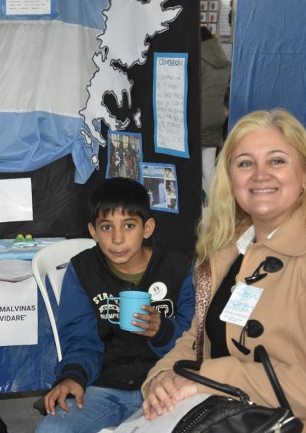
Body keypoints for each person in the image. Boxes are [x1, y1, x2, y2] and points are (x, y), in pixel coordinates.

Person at [141, 109, 306, 431]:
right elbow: (195, 340)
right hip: (227, 415)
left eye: (276, 161)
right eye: (245, 163)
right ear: (230, 179)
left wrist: (210, 379)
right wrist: (162, 379)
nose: (260, 174)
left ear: (305, 173)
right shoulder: (227, 249)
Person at [36, 177, 195, 432]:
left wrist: (161, 330)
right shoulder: (82, 271)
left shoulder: (178, 268)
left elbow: (194, 340)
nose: (117, 239)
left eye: (129, 225)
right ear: (93, 231)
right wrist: (72, 377)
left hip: (164, 382)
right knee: (52, 429)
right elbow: (81, 341)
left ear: (148, 228)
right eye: (107, 227)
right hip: (104, 386)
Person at [200, 25, 231, 202]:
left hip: (198, 117)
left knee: (191, 166)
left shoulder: (198, 59)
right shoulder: (223, 60)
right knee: (208, 165)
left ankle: (202, 203)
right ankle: (217, 204)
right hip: (217, 118)